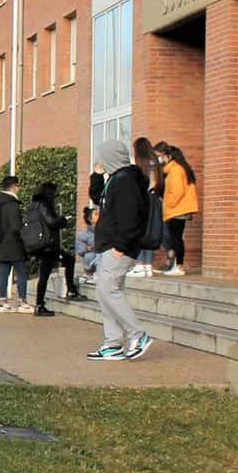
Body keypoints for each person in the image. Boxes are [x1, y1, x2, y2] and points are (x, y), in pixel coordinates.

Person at [88, 140, 153, 361]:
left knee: (108, 291)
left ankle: (138, 334)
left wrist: (120, 247)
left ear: (111, 157)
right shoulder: (116, 179)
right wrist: (97, 175)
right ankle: (112, 343)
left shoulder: (126, 180)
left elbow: (130, 217)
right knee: (106, 293)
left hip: (118, 248)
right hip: (109, 246)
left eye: (102, 158)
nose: (100, 161)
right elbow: (99, 199)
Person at [26, 182, 80, 316]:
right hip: (48, 246)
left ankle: (41, 303)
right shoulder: (44, 205)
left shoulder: (33, 206)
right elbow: (51, 222)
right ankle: (67, 292)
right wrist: (63, 221)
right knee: (65, 262)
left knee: (58, 265)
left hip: (39, 243)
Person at [158, 145, 199, 276]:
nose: (160, 159)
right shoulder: (177, 169)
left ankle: (179, 267)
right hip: (179, 209)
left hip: (177, 209)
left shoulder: (175, 170)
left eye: (162, 156)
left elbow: (177, 191)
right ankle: (177, 265)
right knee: (176, 237)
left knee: (176, 238)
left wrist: (168, 204)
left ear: (169, 157)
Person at [0, 176, 29, 313]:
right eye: (18, 186)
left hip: (1, 242)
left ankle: (3, 302)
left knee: (3, 273)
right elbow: (16, 226)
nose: (19, 189)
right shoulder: (12, 204)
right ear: (14, 187)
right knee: (22, 273)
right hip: (14, 244)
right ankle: (22, 302)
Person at [130, 137, 163, 277]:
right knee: (151, 232)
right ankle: (148, 266)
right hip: (154, 200)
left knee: (138, 232)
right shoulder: (157, 163)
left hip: (141, 199)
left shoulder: (136, 163)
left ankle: (139, 265)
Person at [76, 206, 100, 284]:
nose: (100, 215)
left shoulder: (107, 230)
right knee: (89, 255)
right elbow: (79, 250)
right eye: (96, 214)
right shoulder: (83, 235)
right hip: (93, 260)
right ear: (90, 219)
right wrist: (87, 248)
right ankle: (90, 274)